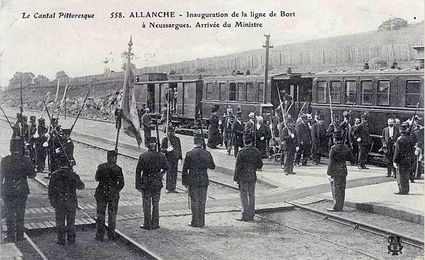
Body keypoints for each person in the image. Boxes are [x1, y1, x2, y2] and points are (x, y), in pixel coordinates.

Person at [0, 139, 36, 242]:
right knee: (20, 213)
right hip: (22, 189)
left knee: (9, 213)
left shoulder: (5, 160)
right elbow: (32, 176)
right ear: (21, 149)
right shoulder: (26, 160)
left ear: (10, 148)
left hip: (8, 190)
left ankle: (10, 236)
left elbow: (0, 176)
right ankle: (20, 235)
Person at [48, 154, 85, 245]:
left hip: (59, 202)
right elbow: (81, 186)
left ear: (60, 164)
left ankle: (61, 240)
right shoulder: (73, 174)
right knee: (71, 221)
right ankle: (71, 239)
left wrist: (53, 202)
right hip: (71, 201)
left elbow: (50, 191)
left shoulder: (54, 174)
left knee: (60, 221)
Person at [182, 132, 215, 227]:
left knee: (194, 201)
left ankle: (194, 221)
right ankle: (201, 222)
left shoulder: (189, 154)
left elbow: (184, 170)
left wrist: (185, 182)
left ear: (194, 142)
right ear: (202, 143)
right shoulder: (206, 153)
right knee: (202, 201)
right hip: (204, 180)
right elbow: (212, 166)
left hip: (193, 180)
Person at [135, 137, 168, 230]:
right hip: (157, 181)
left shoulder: (143, 156)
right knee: (156, 203)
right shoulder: (161, 156)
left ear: (147, 145)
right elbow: (166, 167)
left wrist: (138, 184)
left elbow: (138, 171)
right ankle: (155, 223)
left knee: (146, 203)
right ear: (155, 145)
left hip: (146, 182)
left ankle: (147, 224)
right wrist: (160, 174)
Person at [94, 150, 124, 241]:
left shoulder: (101, 166)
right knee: (112, 215)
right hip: (113, 194)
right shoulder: (118, 168)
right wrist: (116, 190)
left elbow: (96, 178)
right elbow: (122, 183)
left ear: (108, 158)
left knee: (100, 214)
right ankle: (111, 234)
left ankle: (100, 235)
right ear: (114, 158)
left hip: (101, 192)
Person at [234, 133, 263, 221]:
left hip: (243, 176)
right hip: (252, 175)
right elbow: (260, 165)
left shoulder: (241, 152)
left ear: (244, 141)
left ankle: (245, 214)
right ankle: (251, 214)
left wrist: (235, 178)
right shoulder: (257, 151)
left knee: (244, 195)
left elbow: (238, 167)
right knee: (251, 194)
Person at [326, 131, 354, 212]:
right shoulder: (346, 148)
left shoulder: (333, 148)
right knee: (342, 188)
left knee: (336, 189)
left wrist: (329, 173)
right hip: (343, 170)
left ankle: (336, 206)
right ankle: (340, 206)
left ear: (335, 139)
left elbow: (331, 162)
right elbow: (352, 160)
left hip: (335, 171)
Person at [393, 122, 415, 195]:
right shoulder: (410, 139)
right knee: (406, 175)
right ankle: (406, 190)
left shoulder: (400, 139)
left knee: (401, 175)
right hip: (408, 159)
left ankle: (402, 190)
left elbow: (397, 151)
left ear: (400, 131)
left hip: (401, 160)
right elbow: (412, 150)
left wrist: (395, 161)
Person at [161, 125, 182, 193]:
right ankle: (168, 188)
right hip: (168, 158)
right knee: (169, 173)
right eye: (170, 131)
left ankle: (173, 188)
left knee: (174, 173)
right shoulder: (165, 139)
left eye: (172, 131)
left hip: (175, 158)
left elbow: (179, 149)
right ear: (167, 132)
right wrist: (167, 149)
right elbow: (161, 149)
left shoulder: (177, 139)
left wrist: (180, 158)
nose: (172, 133)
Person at [411, 116, 424, 180]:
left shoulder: (420, 129)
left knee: (417, 162)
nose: (415, 122)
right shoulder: (410, 128)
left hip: (416, 148)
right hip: (410, 147)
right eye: (414, 120)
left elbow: (420, 140)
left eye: (416, 120)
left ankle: (417, 175)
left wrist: (418, 148)